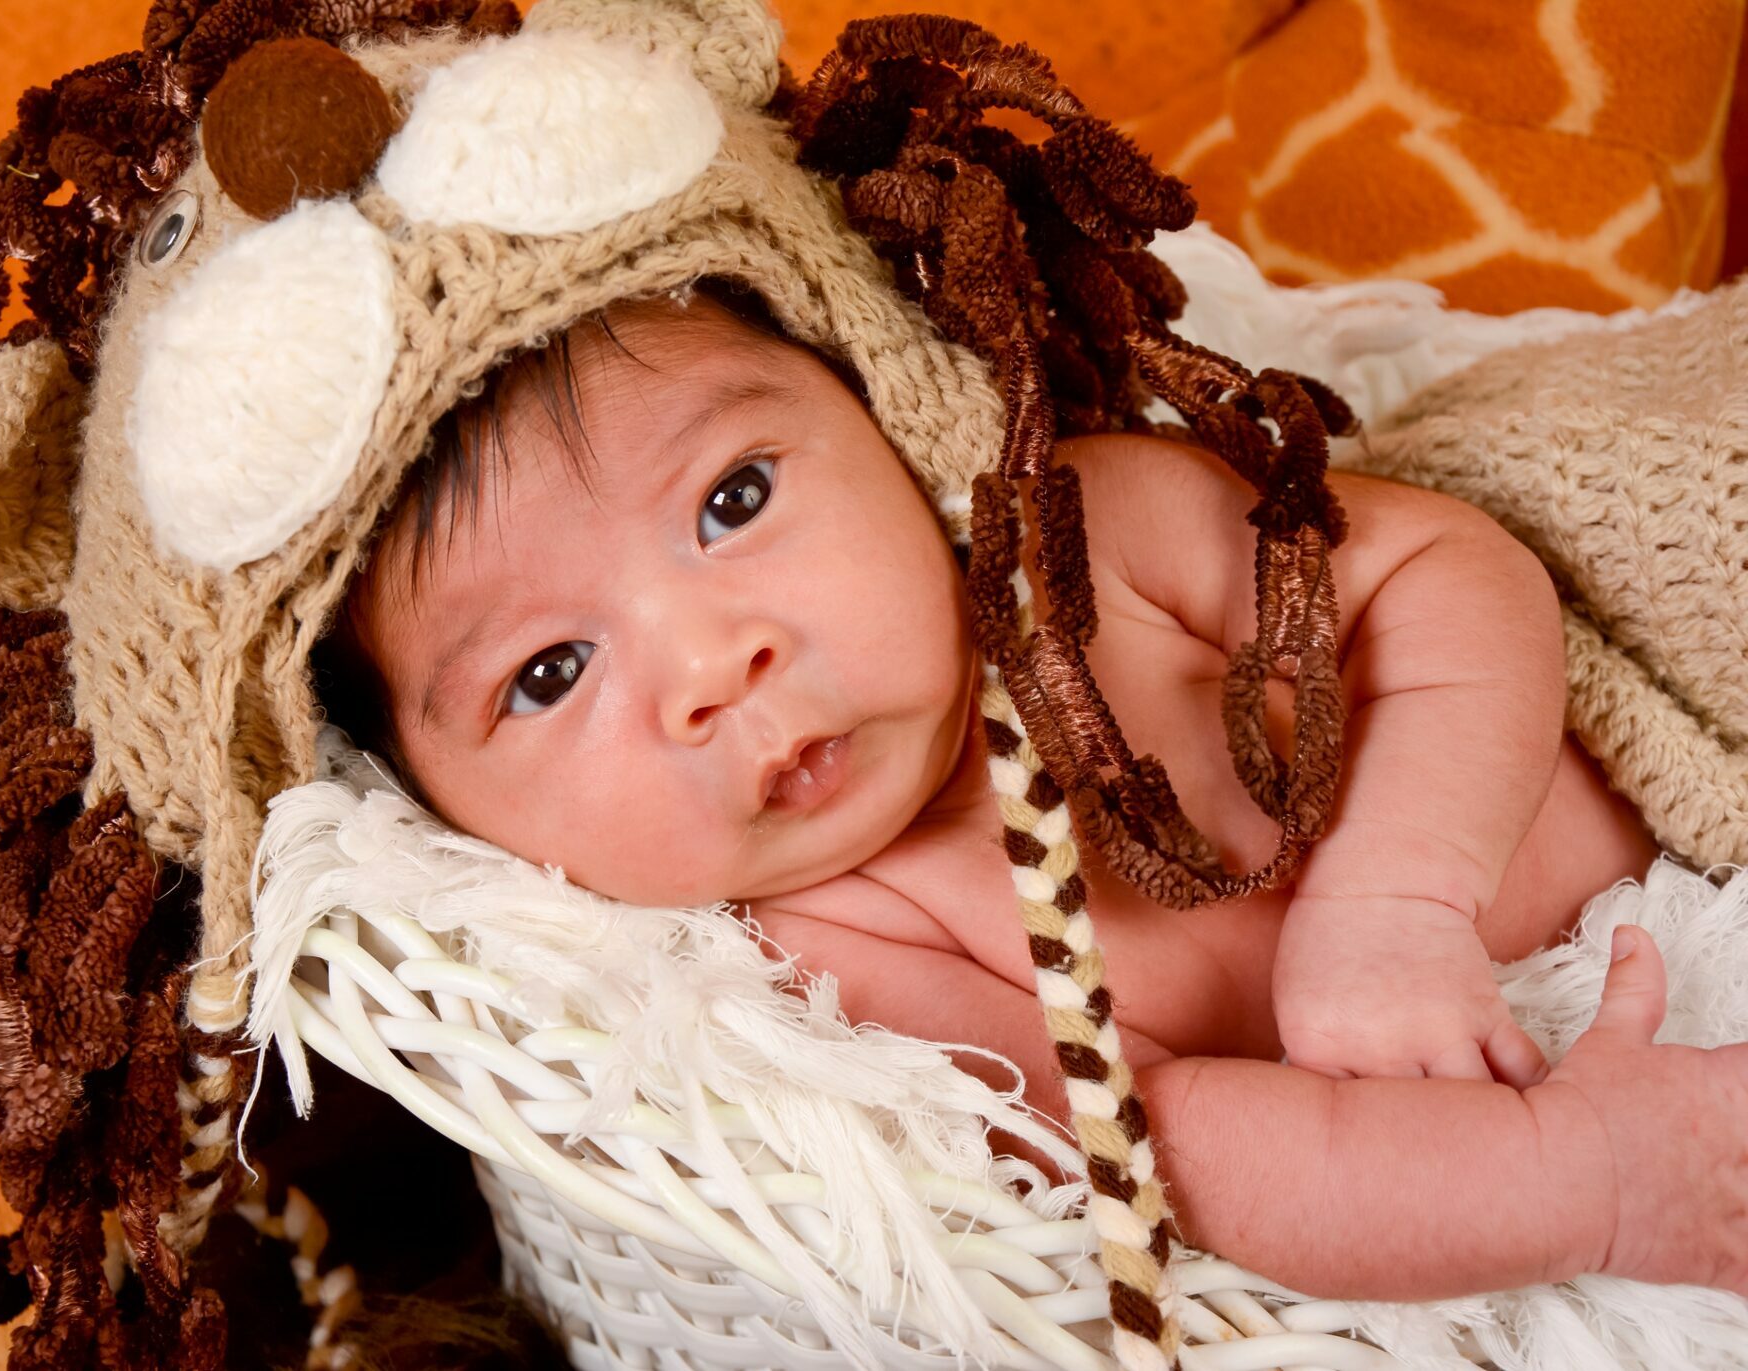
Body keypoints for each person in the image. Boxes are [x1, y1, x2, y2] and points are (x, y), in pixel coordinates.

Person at [315, 277, 1748, 1305]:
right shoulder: (831, 954)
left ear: (886, 415)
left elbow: (1443, 570)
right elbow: (1163, 1151)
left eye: (733, 501)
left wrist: (1399, 896)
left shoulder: (1086, 540)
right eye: (549, 673)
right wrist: (1583, 1177)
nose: (710, 665)